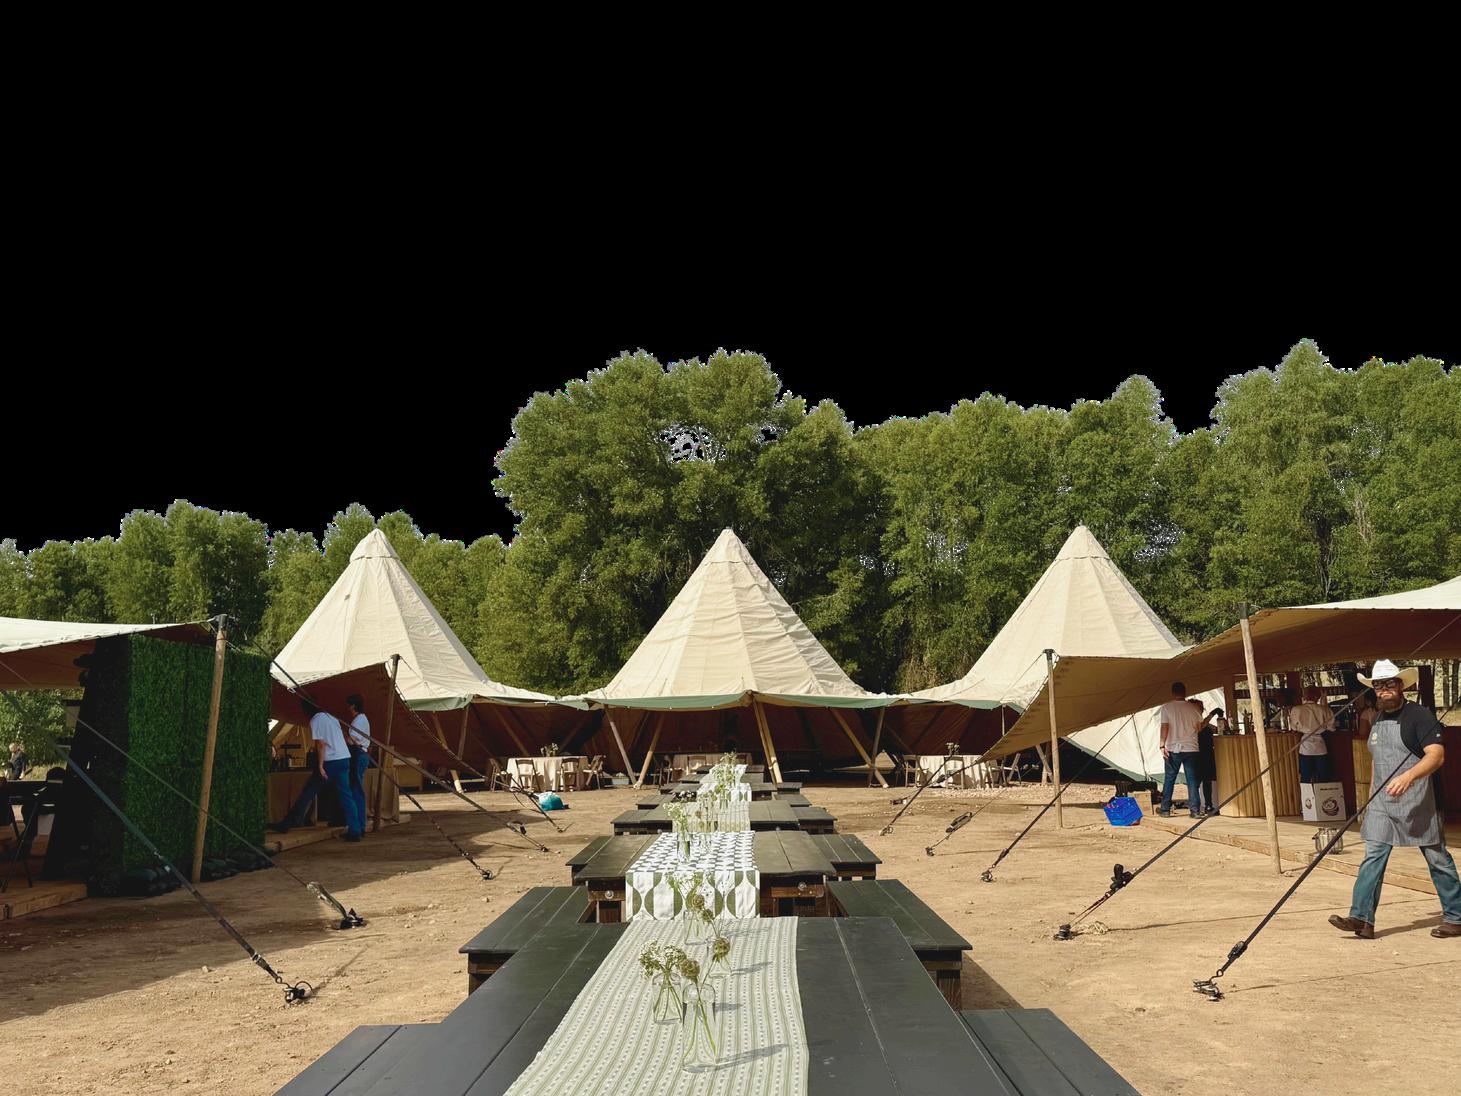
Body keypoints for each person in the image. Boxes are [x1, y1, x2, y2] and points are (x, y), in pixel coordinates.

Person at [1328, 660, 1460, 940]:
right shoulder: (1377, 719)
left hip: (1420, 801)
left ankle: (1456, 916)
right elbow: (1377, 760)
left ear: (1401, 685)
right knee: (1373, 856)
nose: (1384, 689)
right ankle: (1362, 919)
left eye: (1389, 683)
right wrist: (1370, 796)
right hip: (1382, 803)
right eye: (1378, 685)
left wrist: (1408, 776)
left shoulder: (1419, 716)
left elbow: (1436, 755)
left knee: (1437, 859)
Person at [269, 699, 366, 842]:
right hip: (344, 758)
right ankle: (355, 830)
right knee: (347, 796)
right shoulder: (330, 717)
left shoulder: (316, 720)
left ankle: (289, 822)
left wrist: (320, 765)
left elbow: (320, 744)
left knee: (308, 792)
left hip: (330, 761)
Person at [1158, 682, 1204, 818]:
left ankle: (1165, 809)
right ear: (1185, 692)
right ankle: (1195, 811)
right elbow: (1199, 727)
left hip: (1173, 748)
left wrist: (1162, 744)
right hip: (1191, 748)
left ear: (1172, 693)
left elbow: (1165, 726)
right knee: (1192, 781)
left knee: (1169, 779)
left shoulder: (1166, 708)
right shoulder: (1194, 708)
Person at [1289, 685, 1336, 783]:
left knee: (1305, 779)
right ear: (1317, 697)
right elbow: (1332, 728)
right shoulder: (1325, 710)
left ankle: (1306, 793)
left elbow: (1293, 727)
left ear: (1305, 696)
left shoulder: (1297, 710)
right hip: (1320, 747)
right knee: (1323, 779)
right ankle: (1323, 793)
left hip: (1305, 748)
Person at [1190, 699, 1220, 815]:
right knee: (1196, 782)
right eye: (1198, 708)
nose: (1201, 710)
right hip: (1196, 754)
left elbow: (1215, 729)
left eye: (1202, 708)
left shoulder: (1204, 722)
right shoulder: (1192, 722)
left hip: (1207, 753)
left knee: (1207, 781)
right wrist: (1212, 714)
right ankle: (1195, 807)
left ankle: (1208, 805)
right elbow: (1201, 727)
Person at [346, 693, 372, 820]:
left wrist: (342, 736)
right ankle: (357, 820)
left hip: (359, 753)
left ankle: (360, 822)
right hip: (359, 754)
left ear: (353, 706)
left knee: (356, 790)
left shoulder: (359, 720)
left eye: (348, 705)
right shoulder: (360, 719)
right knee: (355, 789)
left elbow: (352, 741)